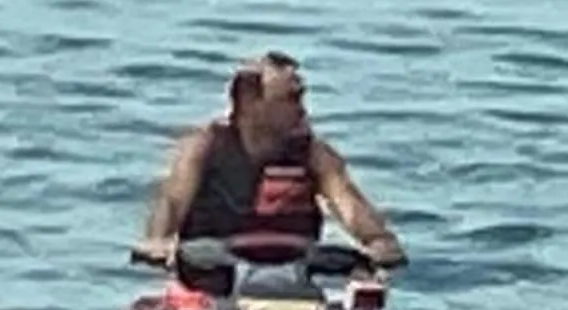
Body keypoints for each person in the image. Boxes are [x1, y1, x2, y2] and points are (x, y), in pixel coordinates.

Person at [130, 51, 407, 270]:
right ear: (250, 103)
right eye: (291, 99)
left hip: (292, 282)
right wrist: (158, 242)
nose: (302, 110)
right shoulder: (204, 147)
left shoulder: (313, 154)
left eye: (301, 98)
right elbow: (172, 201)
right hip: (209, 284)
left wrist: (378, 241)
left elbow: (348, 203)